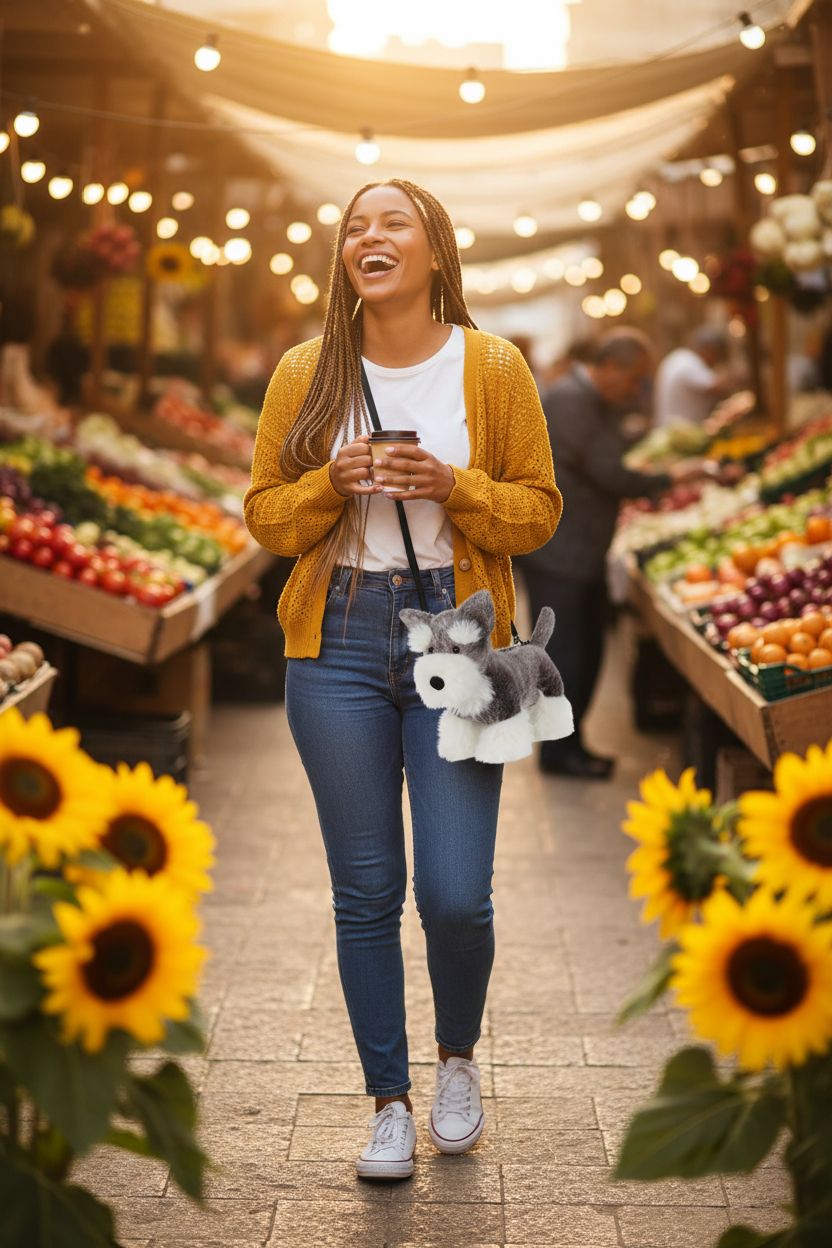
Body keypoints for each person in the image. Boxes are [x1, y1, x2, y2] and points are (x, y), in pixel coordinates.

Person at [244, 179, 561, 1181]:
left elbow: (539, 512)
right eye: (353, 227)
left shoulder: (492, 364)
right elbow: (263, 516)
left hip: (460, 646)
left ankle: (458, 1058)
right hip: (334, 637)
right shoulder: (306, 370)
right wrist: (323, 486)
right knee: (366, 889)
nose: (366, 237)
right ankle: (387, 1100)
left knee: (458, 894)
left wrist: (451, 485)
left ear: (434, 252)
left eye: (392, 224)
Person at [518, 329, 694, 780]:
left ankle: (570, 746)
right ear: (610, 366)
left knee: (583, 650)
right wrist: (668, 478)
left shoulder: (584, 398)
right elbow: (608, 472)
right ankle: (561, 753)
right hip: (562, 551)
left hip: (574, 547)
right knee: (569, 655)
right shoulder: (572, 400)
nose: (636, 391)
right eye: (634, 380)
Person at [653, 326, 731, 427]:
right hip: (680, 433)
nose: (716, 362)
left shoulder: (680, 356)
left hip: (676, 429)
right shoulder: (688, 362)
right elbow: (717, 387)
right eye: (717, 356)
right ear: (708, 350)